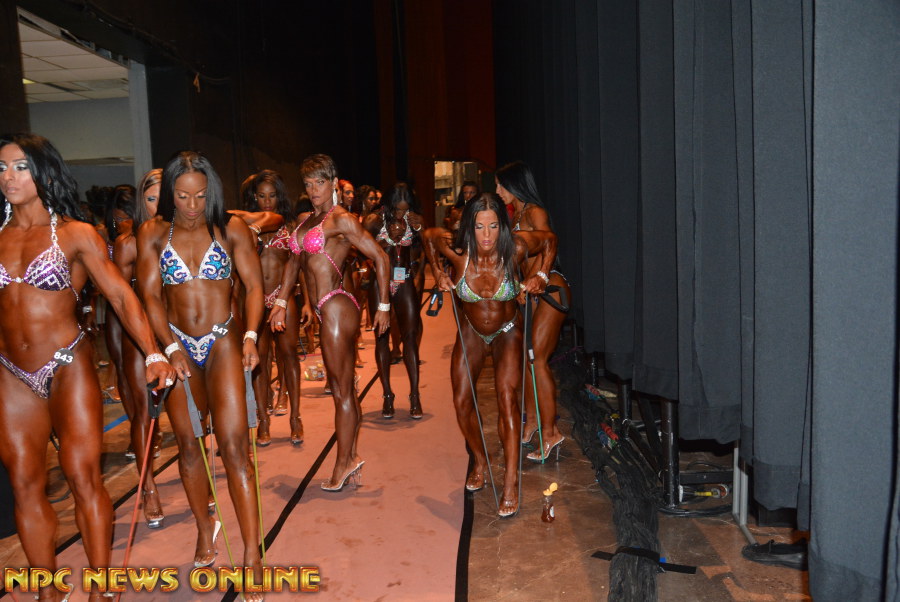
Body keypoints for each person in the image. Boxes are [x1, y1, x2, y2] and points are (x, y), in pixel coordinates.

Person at [0, 133, 174, 602]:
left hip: (67, 365)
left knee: (82, 477)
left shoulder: (76, 234)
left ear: (43, 172)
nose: (9, 177)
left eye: (20, 167)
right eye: (2, 168)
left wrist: (153, 353)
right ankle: (47, 592)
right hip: (11, 373)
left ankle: (101, 590)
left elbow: (119, 294)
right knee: (24, 484)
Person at [136, 151, 266, 587]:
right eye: (183, 196)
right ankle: (203, 526)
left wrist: (251, 335)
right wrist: (168, 347)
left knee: (234, 448)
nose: (192, 206)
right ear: (170, 194)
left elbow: (254, 286)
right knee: (189, 447)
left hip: (224, 339)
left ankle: (251, 553)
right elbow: (150, 296)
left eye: (200, 196)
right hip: (177, 343)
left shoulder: (231, 229)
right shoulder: (153, 233)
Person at [423, 193, 556, 518]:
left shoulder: (517, 248)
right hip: (471, 331)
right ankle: (481, 460)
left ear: (502, 226)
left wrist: (540, 275)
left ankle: (510, 481)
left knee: (507, 399)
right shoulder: (457, 251)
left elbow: (550, 240)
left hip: (507, 331)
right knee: (461, 402)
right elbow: (427, 236)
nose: (486, 235)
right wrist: (437, 272)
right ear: (470, 226)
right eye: (479, 226)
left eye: (493, 226)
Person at [269, 154, 391, 491]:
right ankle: (350, 456)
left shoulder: (341, 220)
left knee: (341, 390)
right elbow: (294, 262)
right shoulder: (307, 220)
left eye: (320, 183)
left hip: (336, 304)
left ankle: (344, 462)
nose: (314, 190)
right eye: (308, 184)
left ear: (334, 183)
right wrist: (281, 302)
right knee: (341, 388)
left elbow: (381, 256)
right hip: (323, 309)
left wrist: (383, 306)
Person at [495, 161, 570, 461]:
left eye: (501, 185)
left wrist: (539, 276)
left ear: (515, 185)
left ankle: (551, 432)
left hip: (551, 288)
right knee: (527, 361)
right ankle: (533, 423)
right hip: (531, 293)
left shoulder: (535, 212)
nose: (497, 190)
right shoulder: (515, 215)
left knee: (537, 360)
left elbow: (550, 242)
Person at [111, 173, 165, 529]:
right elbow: (118, 297)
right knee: (144, 414)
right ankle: (148, 487)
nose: (158, 205)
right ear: (141, 203)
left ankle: (199, 477)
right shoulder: (128, 243)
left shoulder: (183, 236)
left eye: (165, 196)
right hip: (140, 334)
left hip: (177, 330)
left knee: (192, 411)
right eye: (151, 198)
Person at [242, 169, 304, 445]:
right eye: (261, 196)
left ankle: (295, 418)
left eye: (272, 196)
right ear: (254, 197)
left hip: (283, 297)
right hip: (256, 299)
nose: (267, 201)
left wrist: (307, 303)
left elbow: (298, 265)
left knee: (289, 356)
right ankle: (263, 421)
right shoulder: (244, 226)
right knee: (260, 359)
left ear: (280, 196)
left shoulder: (290, 226)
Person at [363, 182, 425, 419]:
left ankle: (415, 395)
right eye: (397, 209)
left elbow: (424, 247)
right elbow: (359, 249)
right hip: (380, 283)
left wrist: (420, 228)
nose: (401, 214)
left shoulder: (414, 218)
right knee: (381, 337)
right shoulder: (374, 220)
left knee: (410, 336)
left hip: (404, 279)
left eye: (405, 209)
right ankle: (387, 395)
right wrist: (386, 241)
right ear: (388, 204)